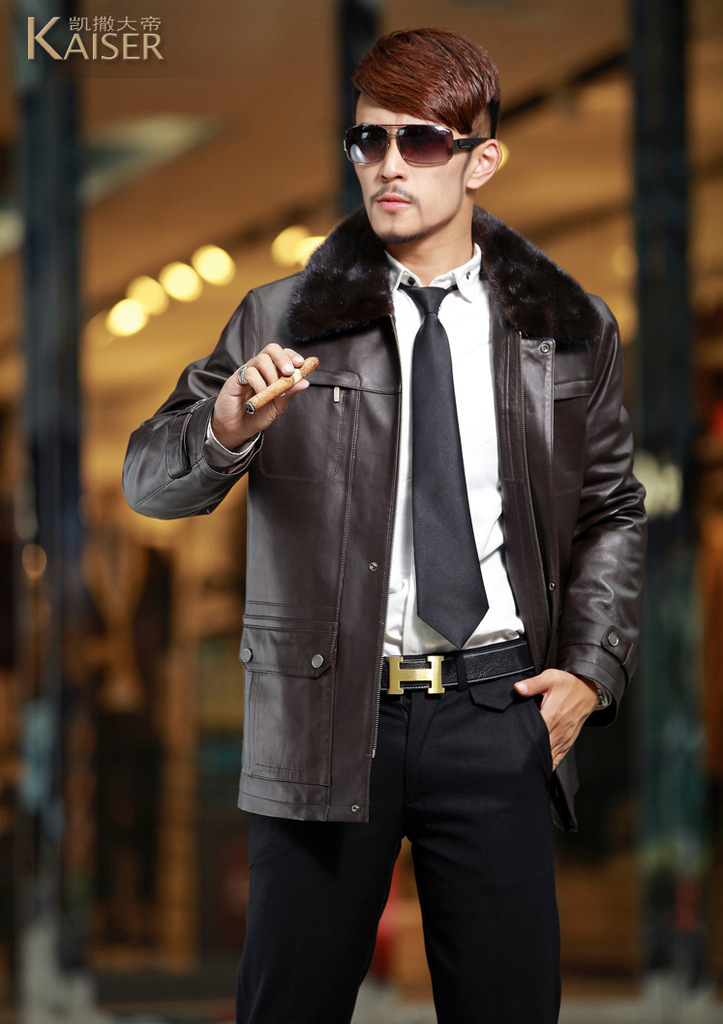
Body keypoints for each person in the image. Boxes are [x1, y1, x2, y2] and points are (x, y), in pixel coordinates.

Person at [123, 26, 646, 1024]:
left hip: (497, 713)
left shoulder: (565, 329)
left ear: (481, 159)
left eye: (423, 140)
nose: (390, 164)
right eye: (371, 140)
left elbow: (612, 507)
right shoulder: (280, 319)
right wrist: (223, 428)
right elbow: (148, 480)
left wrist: (591, 670)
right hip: (326, 717)